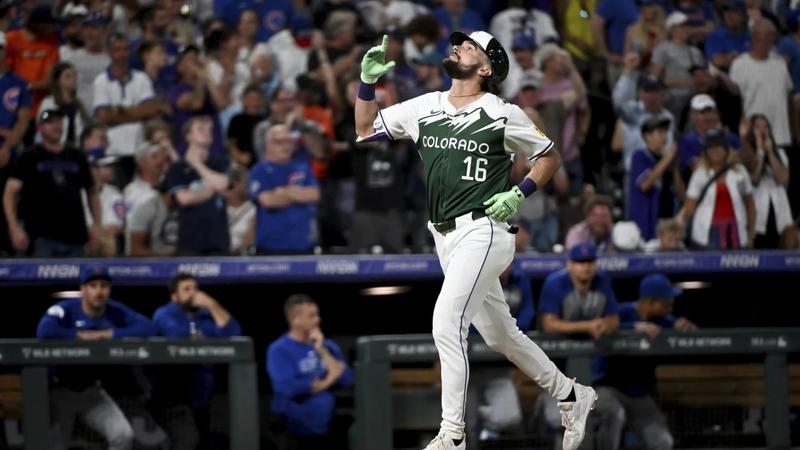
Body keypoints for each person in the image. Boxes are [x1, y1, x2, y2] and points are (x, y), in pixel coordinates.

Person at [354, 32, 595, 450]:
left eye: (470, 46)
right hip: (444, 236)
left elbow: (549, 157)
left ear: (486, 68)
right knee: (502, 336)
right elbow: (364, 128)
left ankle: (452, 434)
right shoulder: (425, 105)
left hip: (484, 229)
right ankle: (572, 395)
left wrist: (521, 191)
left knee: (447, 321)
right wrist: (366, 83)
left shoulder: (503, 112)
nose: (458, 47)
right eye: (459, 43)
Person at [36, 264, 155, 450]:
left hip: (91, 392)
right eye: (93, 286)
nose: (99, 291)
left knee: (123, 435)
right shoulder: (67, 309)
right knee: (55, 445)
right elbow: (44, 331)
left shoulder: (115, 310)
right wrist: (78, 336)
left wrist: (109, 334)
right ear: (83, 289)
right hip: (59, 391)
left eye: (104, 286)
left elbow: (149, 327)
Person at [597, 273, 698, 450]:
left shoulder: (664, 320)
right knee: (615, 415)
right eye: (666, 304)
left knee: (663, 442)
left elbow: (694, 336)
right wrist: (632, 328)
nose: (671, 308)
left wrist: (688, 328)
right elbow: (599, 328)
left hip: (639, 394)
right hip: (607, 388)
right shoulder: (621, 313)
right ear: (650, 302)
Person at [539, 242, 621, 450]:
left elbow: (614, 319)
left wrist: (605, 325)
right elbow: (549, 324)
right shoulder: (555, 283)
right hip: (557, 374)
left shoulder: (602, 282)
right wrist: (588, 325)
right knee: (560, 422)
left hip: (593, 375)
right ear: (570, 265)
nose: (585, 267)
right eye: (580, 262)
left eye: (589, 262)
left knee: (614, 413)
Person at [151, 273, 242, 450]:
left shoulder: (205, 314)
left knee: (198, 443)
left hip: (200, 398)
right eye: (186, 289)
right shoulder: (164, 313)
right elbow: (177, 338)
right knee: (187, 441)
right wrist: (204, 339)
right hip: (171, 397)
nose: (193, 293)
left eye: (195, 288)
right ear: (174, 296)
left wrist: (212, 304)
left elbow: (234, 334)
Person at [3, 109, 100, 257]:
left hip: (76, 237)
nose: (56, 126)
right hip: (42, 237)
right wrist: (14, 228)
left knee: (77, 279)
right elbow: (9, 193)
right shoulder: (29, 156)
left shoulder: (76, 155)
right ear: (40, 128)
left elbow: (92, 192)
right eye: (50, 123)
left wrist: (97, 224)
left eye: (59, 122)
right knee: (42, 279)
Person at [266, 294, 354, 450]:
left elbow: (347, 380)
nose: (317, 320)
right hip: (294, 432)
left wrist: (321, 350)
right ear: (295, 319)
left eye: (317, 314)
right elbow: (288, 388)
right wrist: (330, 378)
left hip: (328, 431)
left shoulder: (328, 346)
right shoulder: (279, 350)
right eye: (311, 316)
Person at [163, 116, 231, 255]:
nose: (207, 133)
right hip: (190, 242)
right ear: (188, 136)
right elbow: (185, 199)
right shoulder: (177, 168)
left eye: (209, 130)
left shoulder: (222, 162)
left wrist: (197, 164)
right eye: (200, 129)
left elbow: (224, 186)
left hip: (218, 241)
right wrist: (213, 189)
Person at [249, 124, 320, 255]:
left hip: (303, 246)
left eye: (288, 141)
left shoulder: (302, 167)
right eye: (279, 142)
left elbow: (314, 194)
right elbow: (268, 201)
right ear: (268, 144)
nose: (285, 146)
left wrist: (284, 192)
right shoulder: (259, 170)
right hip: (270, 248)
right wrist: (298, 195)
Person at [680, 128, 755, 249]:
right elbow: (689, 207)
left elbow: (750, 206)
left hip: (736, 231)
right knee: (710, 267)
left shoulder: (740, 171)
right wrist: (676, 225)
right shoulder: (700, 174)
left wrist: (751, 235)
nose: (715, 150)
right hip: (707, 231)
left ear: (726, 149)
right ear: (706, 151)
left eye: (719, 146)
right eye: (711, 147)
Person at [730, 18, 795, 148]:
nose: (773, 39)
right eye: (769, 34)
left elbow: (789, 98)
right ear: (755, 36)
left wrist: (794, 131)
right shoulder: (739, 65)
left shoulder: (780, 64)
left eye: (773, 35)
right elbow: (734, 103)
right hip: (755, 138)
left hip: (782, 137)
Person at [741, 114, 793, 249]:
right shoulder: (746, 154)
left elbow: (783, 179)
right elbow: (755, 179)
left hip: (779, 213)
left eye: (765, 126)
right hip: (757, 215)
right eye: (757, 126)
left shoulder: (780, 153)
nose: (762, 130)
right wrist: (759, 151)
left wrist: (770, 152)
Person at [629, 117, 683, 241]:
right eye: (660, 133)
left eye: (665, 132)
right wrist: (667, 159)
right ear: (647, 136)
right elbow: (645, 184)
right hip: (646, 223)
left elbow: (681, 194)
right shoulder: (640, 156)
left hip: (667, 220)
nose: (664, 137)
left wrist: (674, 166)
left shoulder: (668, 160)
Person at [38, 62, 87, 147]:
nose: (73, 79)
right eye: (68, 76)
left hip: (75, 149)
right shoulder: (48, 103)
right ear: (58, 81)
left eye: (74, 75)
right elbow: (42, 123)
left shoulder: (78, 104)